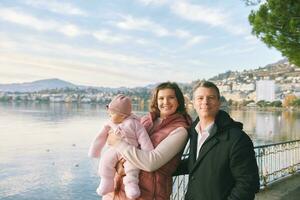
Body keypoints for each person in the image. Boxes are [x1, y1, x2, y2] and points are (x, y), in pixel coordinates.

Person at [105, 82, 192, 200]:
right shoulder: (146, 120)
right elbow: (125, 143)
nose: (165, 102)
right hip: (119, 190)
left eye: (171, 97)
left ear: (179, 101)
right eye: (161, 98)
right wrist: (118, 165)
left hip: (148, 194)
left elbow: (151, 163)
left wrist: (118, 143)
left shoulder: (180, 130)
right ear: (156, 101)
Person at [175, 81, 260, 200]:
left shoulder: (237, 138)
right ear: (193, 103)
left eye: (211, 97)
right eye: (200, 98)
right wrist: (163, 168)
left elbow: (248, 184)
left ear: (219, 103)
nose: (205, 102)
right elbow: (198, 162)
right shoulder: (194, 131)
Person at [88, 94, 154, 199]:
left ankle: (131, 186)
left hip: (131, 152)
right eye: (109, 114)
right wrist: (95, 151)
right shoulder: (109, 124)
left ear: (122, 115)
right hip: (114, 150)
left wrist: (148, 152)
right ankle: (106, 181)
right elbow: (100, 138)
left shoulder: (135, 124)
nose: (109, 116)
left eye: (112, 113)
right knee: (105, 162)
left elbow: (144, 138)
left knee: (132, 168)